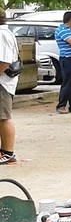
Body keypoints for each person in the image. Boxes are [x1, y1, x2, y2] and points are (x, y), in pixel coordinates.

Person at [0, 9, 20, 165]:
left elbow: (4, 62)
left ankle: (8, 153)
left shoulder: (1, 35)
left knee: (3, 118)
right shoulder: (6, 33)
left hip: (2, 82)